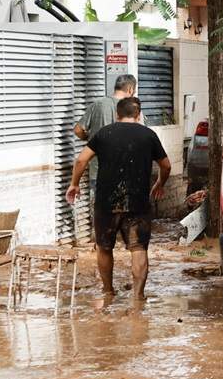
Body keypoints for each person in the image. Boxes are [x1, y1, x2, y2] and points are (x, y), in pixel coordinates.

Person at [65, 96, 170, 304]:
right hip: (138, 202)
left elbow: (81, 159)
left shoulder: (104, 133)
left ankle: (108, 291)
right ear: (138, 115)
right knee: (139, 248)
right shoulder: (148, 135)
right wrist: (160, 183)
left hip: (106, 202)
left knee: (104, 247)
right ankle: (138, 296)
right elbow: (166, 165)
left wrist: (74, 184)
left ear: (117, 114)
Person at [73, 74, 138, 196]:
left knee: (101, 211)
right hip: (124, 172)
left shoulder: (97, 105)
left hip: (98, 172)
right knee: (123, 212)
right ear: (130, 89)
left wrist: (91, 139)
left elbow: (77, 130)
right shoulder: (132, 109)